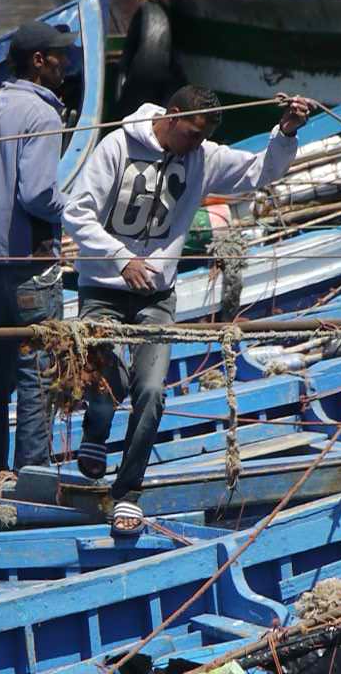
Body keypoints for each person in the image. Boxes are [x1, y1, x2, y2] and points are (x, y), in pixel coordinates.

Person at [63, 85, 312, 534]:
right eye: (192, 134)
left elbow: (258, 172)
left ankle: (128, 492)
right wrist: (122, 259)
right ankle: (97, 428)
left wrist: (286, 133)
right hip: (102, 288)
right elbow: (76, 213)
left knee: (153, 390)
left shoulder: (201, 156)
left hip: (157, 296)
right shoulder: (116, 147)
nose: (196, 145)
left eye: (203, 138)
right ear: (172, 116)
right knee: (100, 372)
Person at [0, 20, 77, 473]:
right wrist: (73, 209)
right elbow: (37, 195)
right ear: (39, 61)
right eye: (60, 57)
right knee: (39, 374)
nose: (66, 65)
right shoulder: (43, 115)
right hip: (31, 265)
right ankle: (33, 470)